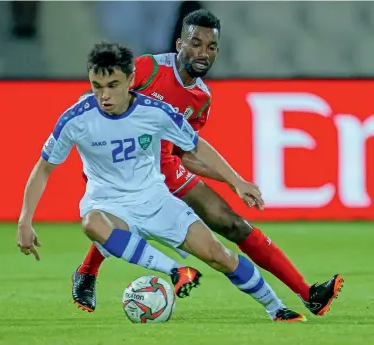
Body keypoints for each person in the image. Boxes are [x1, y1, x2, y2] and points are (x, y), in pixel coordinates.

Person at [72, 10, 344, 316]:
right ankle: (87, 272)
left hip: (169, 170)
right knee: (120, 220)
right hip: (126, 169)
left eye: (211, 47)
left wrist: (234, 181)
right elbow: (103, 91)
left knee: (232, 223)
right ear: (179, 44)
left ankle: (308, 294)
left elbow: (188, 153)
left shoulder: (201, 97)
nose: (203, 53)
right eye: (196, 43)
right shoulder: (147, 69)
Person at [17, 42, 306, 323]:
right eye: (97, 86)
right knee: (92, 222)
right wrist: (25, 220)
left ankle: (277, 308)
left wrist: (237, 181)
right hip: (108, 203)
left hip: (156, 201)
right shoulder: (76, 119)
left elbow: (196, 146)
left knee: (220, 256)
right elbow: (44, 168)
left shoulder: (155, 112)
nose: (104, 95)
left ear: (131, 79)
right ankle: (176, 270)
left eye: (113, 85)